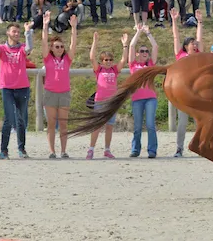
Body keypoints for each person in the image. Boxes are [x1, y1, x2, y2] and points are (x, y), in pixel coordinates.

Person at [0, 20, 34, 159]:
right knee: (9, 119)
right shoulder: (2, 48)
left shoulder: (22, 48)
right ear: (8, 32)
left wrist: (27, 32)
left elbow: (29, 48)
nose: (16, 34)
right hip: (7, 87)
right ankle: (4, 150)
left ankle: (22, 149)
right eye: (14, 31)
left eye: (18, 32)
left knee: (21, 119)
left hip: (22, 87)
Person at [41, 10, 77, 159]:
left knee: (63, 125)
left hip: (64, 93)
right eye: (56, 46)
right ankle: (52, 151)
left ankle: (63, 151)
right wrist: (45, 26)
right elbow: (43, 43)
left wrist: (74, 28)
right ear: (51, 48)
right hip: (50, 93)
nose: (60, 49)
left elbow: (73, 44)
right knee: (51, 124)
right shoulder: (47, 59)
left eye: (61, 47)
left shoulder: (67, 60)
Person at [87, 31, 128, 160]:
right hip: (100, 101)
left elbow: (123, 60)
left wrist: (125, 45)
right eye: (106, 60)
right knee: (97, 126)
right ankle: (91, 149)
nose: (109, 62)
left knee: (109, 126)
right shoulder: (99, 69)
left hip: (111, 102)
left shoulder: (114, 70)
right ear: (102, 61)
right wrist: (95, 41)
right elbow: (92, 58)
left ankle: (107, 149)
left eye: (110, 60)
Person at [172, 8, 204, 157]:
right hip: (184, 94)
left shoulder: (199, 55)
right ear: (186, 46)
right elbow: (175, 37)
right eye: (192, 43)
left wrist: (200, 23)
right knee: (182, 123)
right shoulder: (180, 55)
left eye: (195, 43)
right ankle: (179, 148)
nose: (195, 45)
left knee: (201, 123)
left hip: (197, 93)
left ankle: (201, 147)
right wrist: (174, 21)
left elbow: (200, 39)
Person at [128, 25, 159, 158]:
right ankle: (135, 149)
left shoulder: (151, 64)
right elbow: (131, 46)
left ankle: (152, 150)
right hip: (137, 99)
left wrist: (148, 33)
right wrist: (138, 32)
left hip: (150, 98)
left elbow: (156, 47)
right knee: (137, 126)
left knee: (150, 125)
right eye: (142, 51)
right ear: (137, 53)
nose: (145, 53)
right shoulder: (133, 65)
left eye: (146, 51)